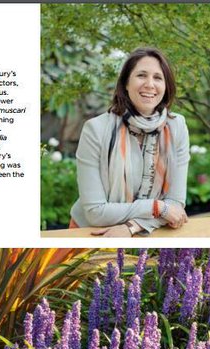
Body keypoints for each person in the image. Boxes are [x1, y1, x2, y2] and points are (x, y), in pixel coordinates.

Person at [71, 47, 190, 236]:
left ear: (166, 86)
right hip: (91, 234)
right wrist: (157, 207)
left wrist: (132, 227)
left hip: (148, 232)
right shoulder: (96, 129)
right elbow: (95, 212)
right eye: (141, 75)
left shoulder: (177, 127)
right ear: (126, 83)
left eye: (158, 78)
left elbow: (175, 205)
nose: (150, 84)